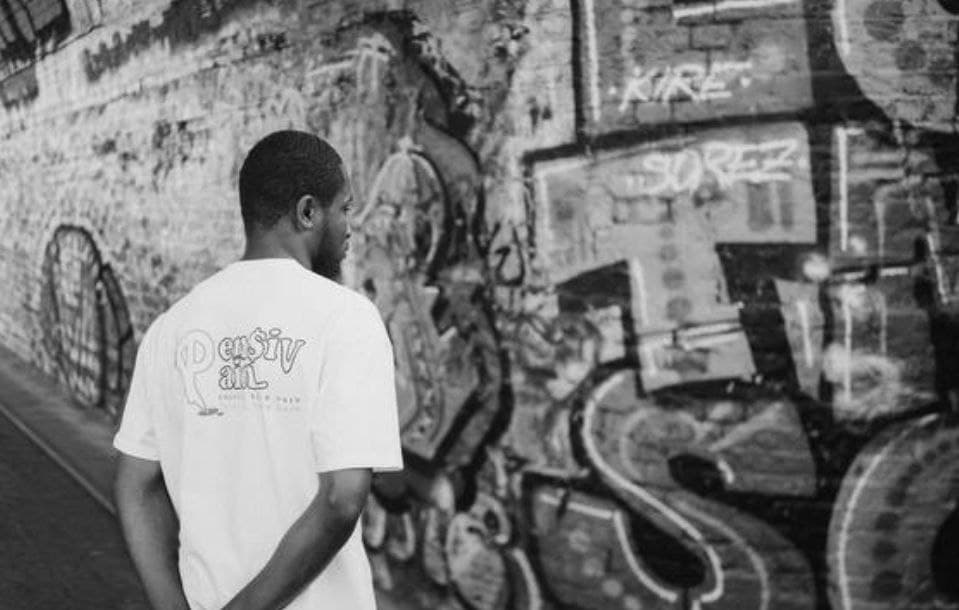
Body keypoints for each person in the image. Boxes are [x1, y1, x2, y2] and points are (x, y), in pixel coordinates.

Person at [113, 130, 403, 609]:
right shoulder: (346, 319)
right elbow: (343, 496)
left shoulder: (173, 327)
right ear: (308, 212)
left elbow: (135, 482)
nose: (351, 226)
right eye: (345, 208)